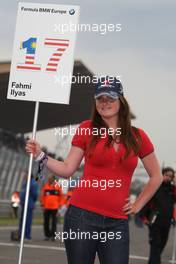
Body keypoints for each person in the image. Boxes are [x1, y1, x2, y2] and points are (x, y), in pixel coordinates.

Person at [26, 76, 163, 264]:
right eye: (100, 98)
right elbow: (67, 169)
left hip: (117, 223)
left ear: (121, 102)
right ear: (95, 102)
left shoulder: (138, 136)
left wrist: (138, 204)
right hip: (81, 217)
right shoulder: (86, 129)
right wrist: (41, 155)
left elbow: (157, 176)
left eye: (110, 98)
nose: (104, 102)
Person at [139, 167, 176, 264]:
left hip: (166, 223)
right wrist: (143, 217)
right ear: (162, 175)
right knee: (155, 246)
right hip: (154, 223)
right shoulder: (155, 187)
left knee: (160, 247)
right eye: (166, 175)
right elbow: (146, 202)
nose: (168, 178)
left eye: (170, 176)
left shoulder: (172, 190)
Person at [40, 175, 63, 241]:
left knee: (54, 222)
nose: (49, 179)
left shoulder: (57, 186)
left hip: (55, 207)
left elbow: (61, 196)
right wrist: (42, 204)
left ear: (53, 179)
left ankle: (53, 235)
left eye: (50, 178)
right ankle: (47, 235)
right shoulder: (45, 186)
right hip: (46, 207)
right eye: (48, 178)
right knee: (46, 222)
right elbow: (42, 196)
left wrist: (60, 204)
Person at [19, 172, 38, 240]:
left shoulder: (33, 183)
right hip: (23, 204)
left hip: (29, 204)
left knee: (27, 221)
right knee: (22, 220)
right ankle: (21, 234)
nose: (24, 176)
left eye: (25, 175)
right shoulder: (25, 183)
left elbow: (35, 195)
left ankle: (27, 236)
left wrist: (32, 202)